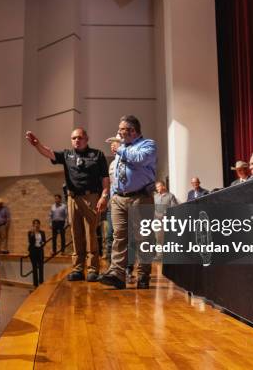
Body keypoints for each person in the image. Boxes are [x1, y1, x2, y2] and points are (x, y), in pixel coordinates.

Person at [25, 128, 109, 282]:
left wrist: (104, 196)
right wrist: (37, 145)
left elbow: (105, 178)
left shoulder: (97, 155)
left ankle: (92, 269)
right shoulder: (67, 155)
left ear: (87, 139)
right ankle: (77, 268)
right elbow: (50, 153)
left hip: (91, 196)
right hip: (72, 199)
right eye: (74, 138)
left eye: (80, 137)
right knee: (76, 234)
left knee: (90, 234)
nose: (77, 140)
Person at [100, 115, 157, 290]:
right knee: (119, 237)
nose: (118, 132)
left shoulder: (148, 144)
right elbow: (116, 173)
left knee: (143, 238)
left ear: (132, 130)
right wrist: (111, 196)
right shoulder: (122, 148)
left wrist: (120, 150)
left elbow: (140, 159)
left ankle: (143, 274)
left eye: (121, 129)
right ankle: (117, 274)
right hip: (118, 198)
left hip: (140, 197)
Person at [27, 219, 46, 287]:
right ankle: (35, 284)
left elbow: (44, 241)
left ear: (39, 224)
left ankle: (41, 282)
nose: (36, 225)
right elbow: (30, 242)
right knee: (34, 268)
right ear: (33, 225)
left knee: (41, 267)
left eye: (37, 223)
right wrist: (33, 233)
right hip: (33, 251)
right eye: (35, 223)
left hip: (40, 251)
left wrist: (43, 243)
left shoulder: (42, 232)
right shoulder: (30, 232)